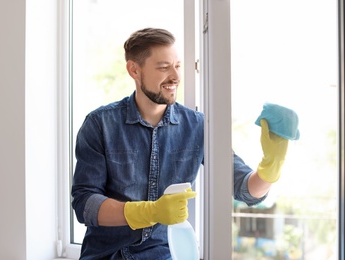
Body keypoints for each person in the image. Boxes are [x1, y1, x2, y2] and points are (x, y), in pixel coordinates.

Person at [71, 27, 288, 259]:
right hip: (106, 254)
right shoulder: (100, 124)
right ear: (134, 70)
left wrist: (271, 165)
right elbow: (85, 204)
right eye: (164, 67)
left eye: (177, 66)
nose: (175, 77)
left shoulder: (197, 126)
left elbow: (245, 190)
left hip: (164, 254)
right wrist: (149, 212)